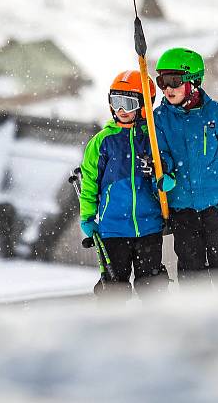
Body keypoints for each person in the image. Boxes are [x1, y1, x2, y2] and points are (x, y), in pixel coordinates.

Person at [153, 47, 218, 284]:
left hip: (217, 202)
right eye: (161, 82)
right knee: (190, 264)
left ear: (193, 81)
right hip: (182, 205)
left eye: (173, 81)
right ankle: (196, 312)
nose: (167, 88)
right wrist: (164, 169)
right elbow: (161, 153)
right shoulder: (159, 119)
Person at [79, 70, 173, 300]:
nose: (120, 110)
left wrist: (164, 178)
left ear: (144, 105)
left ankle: (154, 325)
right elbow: (89, 180)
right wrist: (87, 217)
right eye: (116, 102)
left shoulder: (152, 138)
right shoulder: (103, 141)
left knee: (151, 285)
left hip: (149, 226)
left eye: (128, 103)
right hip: (113, 228)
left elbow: (167, 166)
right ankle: (113, 328)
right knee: (114, 288)